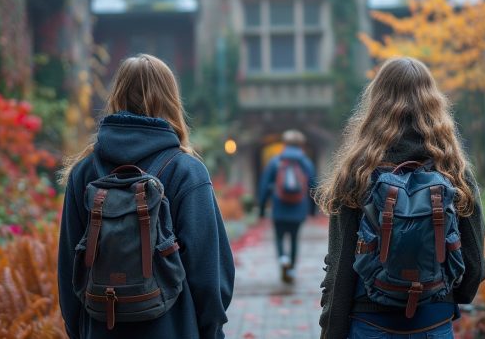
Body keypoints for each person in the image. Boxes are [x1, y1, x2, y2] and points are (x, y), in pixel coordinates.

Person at [57, 54, 235, 339]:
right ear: (170, 99)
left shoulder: (84, 172)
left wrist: (80, 330)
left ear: (116, 96)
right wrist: (211, 332)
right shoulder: (186, 171)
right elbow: (210, 274)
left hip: (102, 327)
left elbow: (69, 268)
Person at [315, 57, 485, 339]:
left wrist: (331, 332)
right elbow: (475, 264)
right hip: (433, 323)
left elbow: (340, 269)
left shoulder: (358, 171)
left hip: (370, 323)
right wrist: (448, 295)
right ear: (433, 102)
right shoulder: (454, 171)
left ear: (376, 101)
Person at [258, 129, 317, 284]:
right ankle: (291, 268)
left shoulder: (275, 161)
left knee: (279, 236)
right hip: (299, 208)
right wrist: (312, 210)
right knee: (294, 238)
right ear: (301, 144)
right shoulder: (305, 163)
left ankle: (283, 259)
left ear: (285, 143)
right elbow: (313, 187)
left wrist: (262, 209)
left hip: (279, 207)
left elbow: (264, 186)